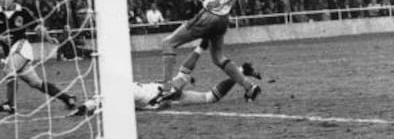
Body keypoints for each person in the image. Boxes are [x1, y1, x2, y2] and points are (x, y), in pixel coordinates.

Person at [160, 0, 260, 101]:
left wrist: (217, 2)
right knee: (218, 58)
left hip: (209, 17)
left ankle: (165, 89)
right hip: (221, 20)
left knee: (168, 43)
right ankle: (249, 87)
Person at [0, 0, 77, 114]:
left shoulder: (23, 11)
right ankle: (68, 99)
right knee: (36, 83)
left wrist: (48, 38)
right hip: (10, 54)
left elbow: (37, 27)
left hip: (22, 47)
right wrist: (1, 39)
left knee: (9, 70)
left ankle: (10, 105)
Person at [67, 62, 262, 116]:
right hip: (166, 94)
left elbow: (102, 102)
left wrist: (85, 109)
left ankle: (241, 71)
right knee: (210, 98)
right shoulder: (122, 88)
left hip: (165, 92)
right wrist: (87, 108)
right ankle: (241, 71)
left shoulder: (126, 91)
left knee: (203, 94)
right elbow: (101, 100)